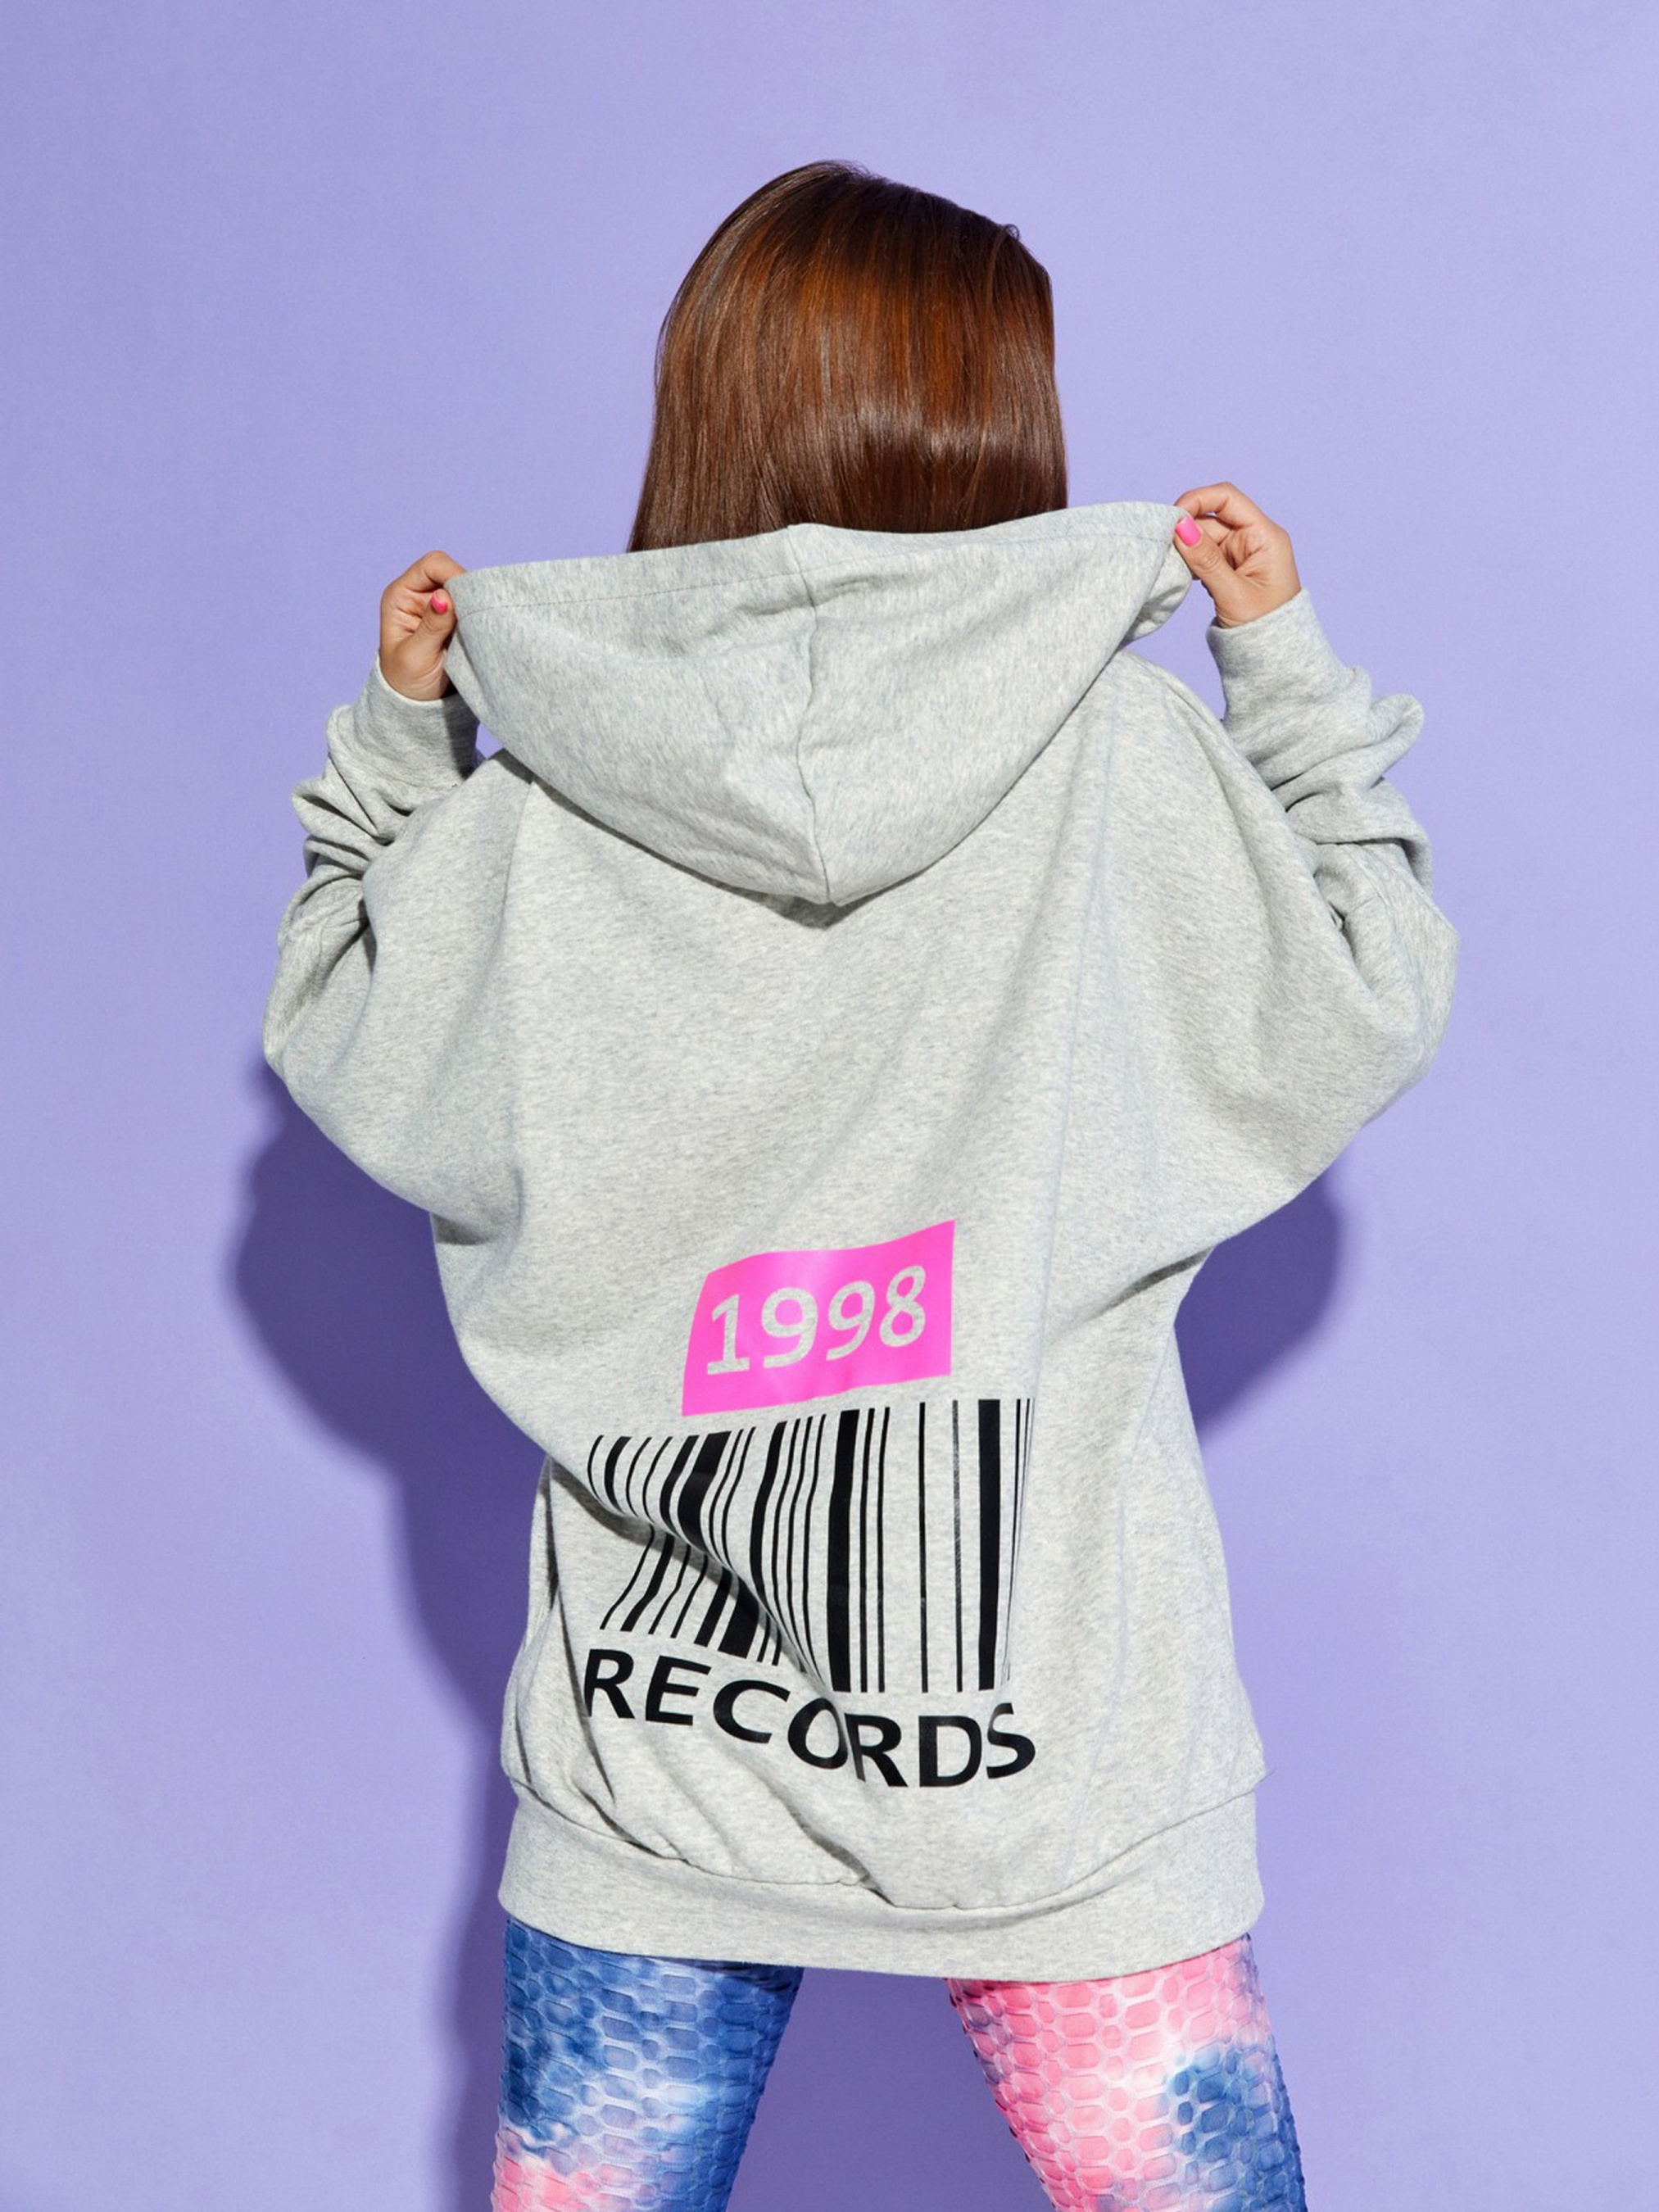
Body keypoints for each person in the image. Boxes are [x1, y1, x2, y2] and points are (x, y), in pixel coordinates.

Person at [263, 159, 1457, 2211]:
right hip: (1054, 1756)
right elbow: (1362, 990)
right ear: (995, 422)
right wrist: (1283, 683)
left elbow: (347, 1015)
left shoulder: (544, 810)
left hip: (650, 1758)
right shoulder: (1119, 762)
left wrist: (399, 749)